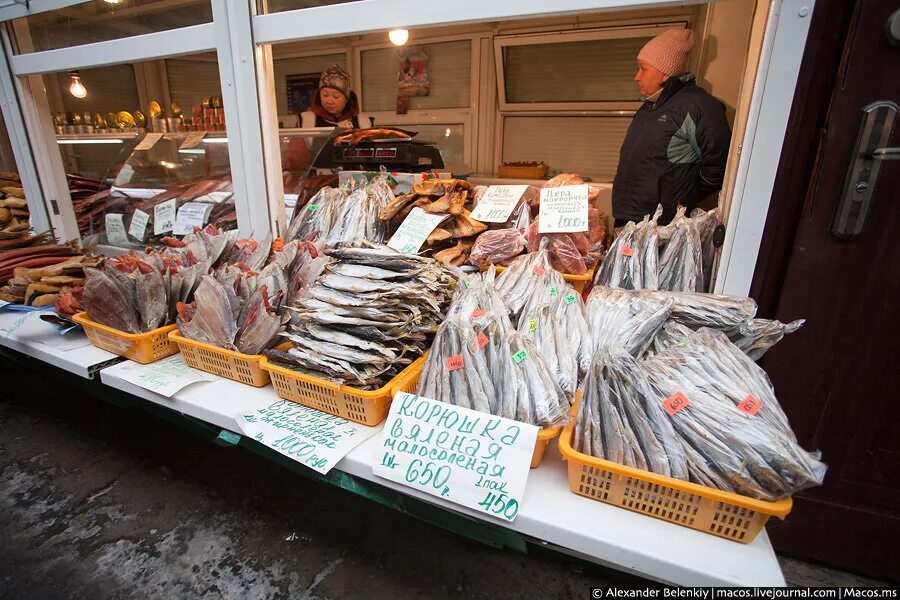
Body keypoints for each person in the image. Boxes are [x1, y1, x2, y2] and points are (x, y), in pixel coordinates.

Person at [612, 28, 732, 227]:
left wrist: (679, 199)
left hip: (662, 226)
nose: (637, 76)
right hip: (628, 218)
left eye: (643, 68)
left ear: (665, 72)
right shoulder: (648, 107)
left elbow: (715, 172)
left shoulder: (700, 108)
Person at [283, 65, 363, 172]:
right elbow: (295, 155)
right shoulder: (307, 121)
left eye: (336, 96)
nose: (329, 101)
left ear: (347, 98)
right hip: (317, 184)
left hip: (356, 183)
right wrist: (289, 170)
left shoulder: (364, 123)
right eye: (325, 95)